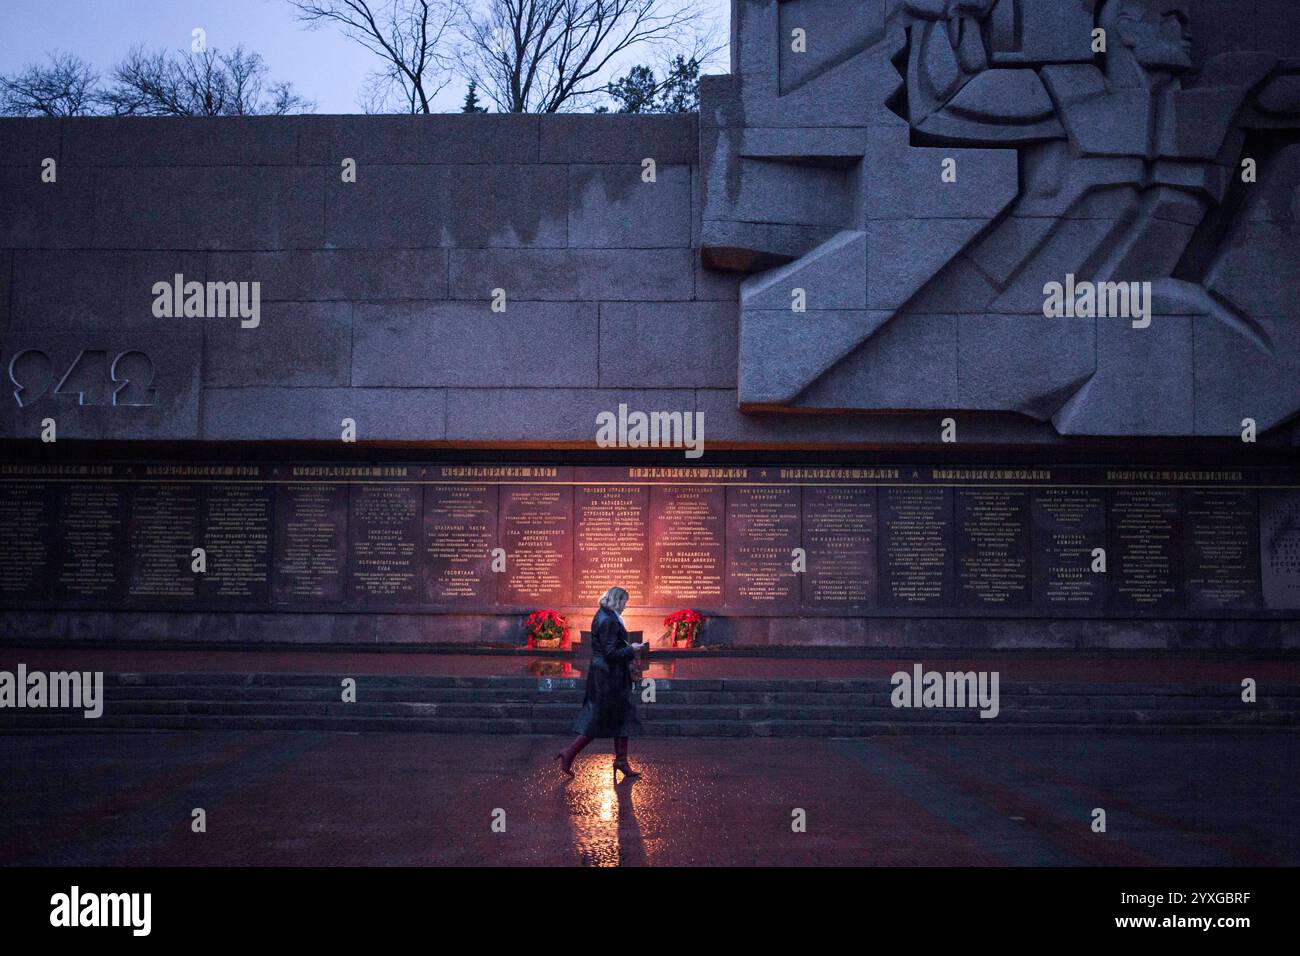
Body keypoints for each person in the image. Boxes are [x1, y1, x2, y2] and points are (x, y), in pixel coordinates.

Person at [554, 586, 647, 781]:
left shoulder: (606, 615)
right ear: (617, 601)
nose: (625, 607)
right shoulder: (608, 620)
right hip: (608, 677)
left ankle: (621, 761)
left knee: (621, 716)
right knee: (599, 718)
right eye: (624, 603)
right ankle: (569, 753)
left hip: (609, 675)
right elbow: (611, 653)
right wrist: (633, 649)